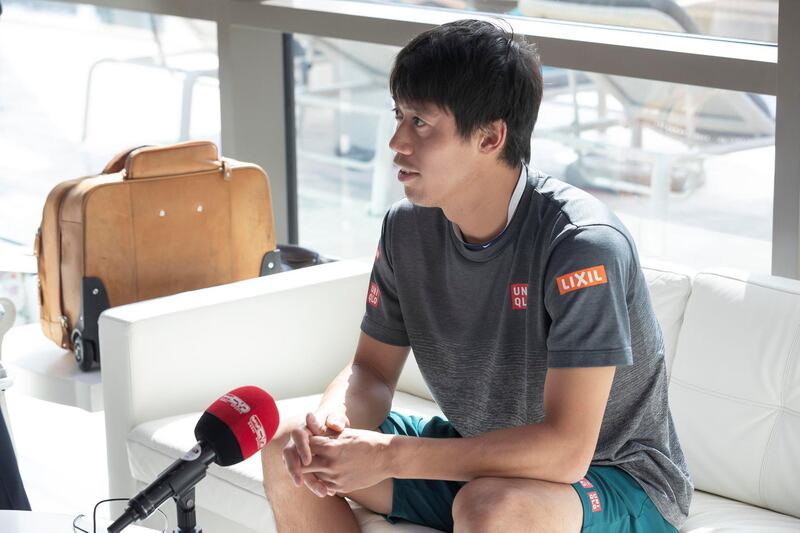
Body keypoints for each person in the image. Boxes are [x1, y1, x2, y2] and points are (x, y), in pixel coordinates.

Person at [261, 19, 692, 533]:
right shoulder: (407, 228)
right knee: (291, 451)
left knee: (492, 509)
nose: (396, 140)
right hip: (486, 460)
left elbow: (565, 452)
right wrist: (331, 424)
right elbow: (372, 374)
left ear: (490, 136)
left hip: (614, 478)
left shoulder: (581, 246)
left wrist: (392, 455)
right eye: (399, 115)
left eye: (421, 122)